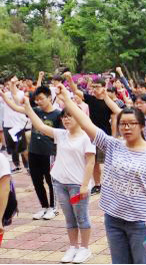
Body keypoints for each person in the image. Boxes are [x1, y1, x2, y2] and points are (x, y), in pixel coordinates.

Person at [57, 84, 146, 264]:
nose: (127, 127)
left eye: (132, 123)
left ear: (141, 126)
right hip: (113, 218)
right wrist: (67, 100)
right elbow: (86, 124)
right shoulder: (113, 145)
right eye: (123, 123)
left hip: (141, 222)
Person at [23, 97, 95, 263]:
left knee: (82, 217)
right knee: (69, 218)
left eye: (70, 116)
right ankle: (73, 247)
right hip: (60, 182)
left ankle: (85, 248)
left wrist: (85, 185)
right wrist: (28, 107)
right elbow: (40, 126)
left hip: (78, 185)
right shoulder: (61, 134)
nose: (66, 119)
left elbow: (91, 161)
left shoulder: (86, 138)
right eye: (64, 116)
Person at [2, 86, 61, 220]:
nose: (39, 102)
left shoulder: (58, 114)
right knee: (37, 181)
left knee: (51, 181)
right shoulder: (35, 111)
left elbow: (62, 136)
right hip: (34, 151)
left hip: (49, 153)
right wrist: (5, 97)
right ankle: (44, 206)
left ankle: (53, 207)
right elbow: (17, 108)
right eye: (37, 99)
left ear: (49, 98)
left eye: (41, 99)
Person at [66, 72, 113, 195]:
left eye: (98, 87)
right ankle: (98, 184)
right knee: (94, 162)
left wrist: (114, 135)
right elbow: (76, 90)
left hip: (106, 135)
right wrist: (70, 79)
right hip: (92, 135)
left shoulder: (110, 102)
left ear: (104, 87)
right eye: (94, 87)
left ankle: (111, 184)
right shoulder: (90, 99)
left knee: (109, 162)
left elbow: (114, 119)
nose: (95, 89)